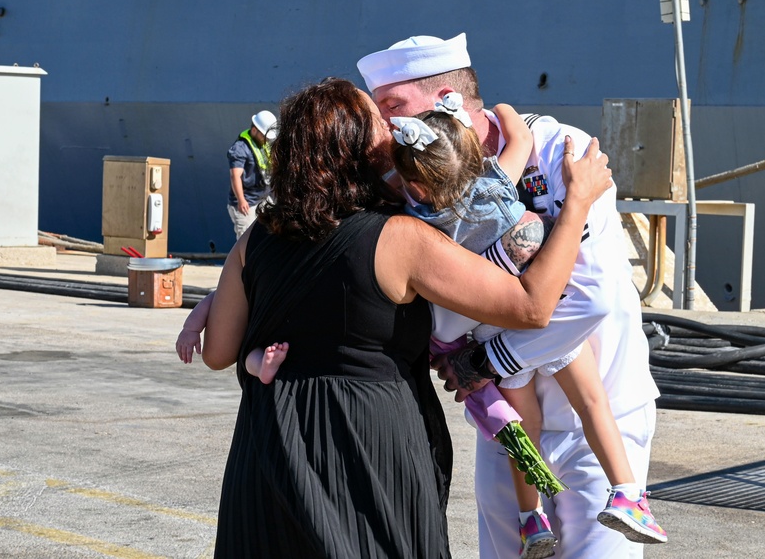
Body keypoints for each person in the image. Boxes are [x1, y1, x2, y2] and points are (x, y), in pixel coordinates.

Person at [194, 77, 615, 558]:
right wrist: (578, 202)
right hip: (368, 447)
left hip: (267, 448)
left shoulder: (254, 241)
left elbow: (217, 353)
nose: (393, 128)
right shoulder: (400, 240)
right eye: (377, 122)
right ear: (361, 151)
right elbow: (532, 306)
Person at [358, 34, 661, 558]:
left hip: (593, 413)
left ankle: (630, 497)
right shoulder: (411, 181)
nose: (388, 128)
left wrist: (486, 360)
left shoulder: (560, 151)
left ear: (446, 97)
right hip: (510, 417)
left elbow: (591, 297)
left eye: (394, 108)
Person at [226, 109, 276, 239]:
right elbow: (235, 176)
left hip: (262, 198)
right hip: (247, 203)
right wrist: (241, 200)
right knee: (246, 240)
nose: (266, 139)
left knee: (268, 236)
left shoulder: (263, 145)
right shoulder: (240, 148)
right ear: (254, 130)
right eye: (264, 136)